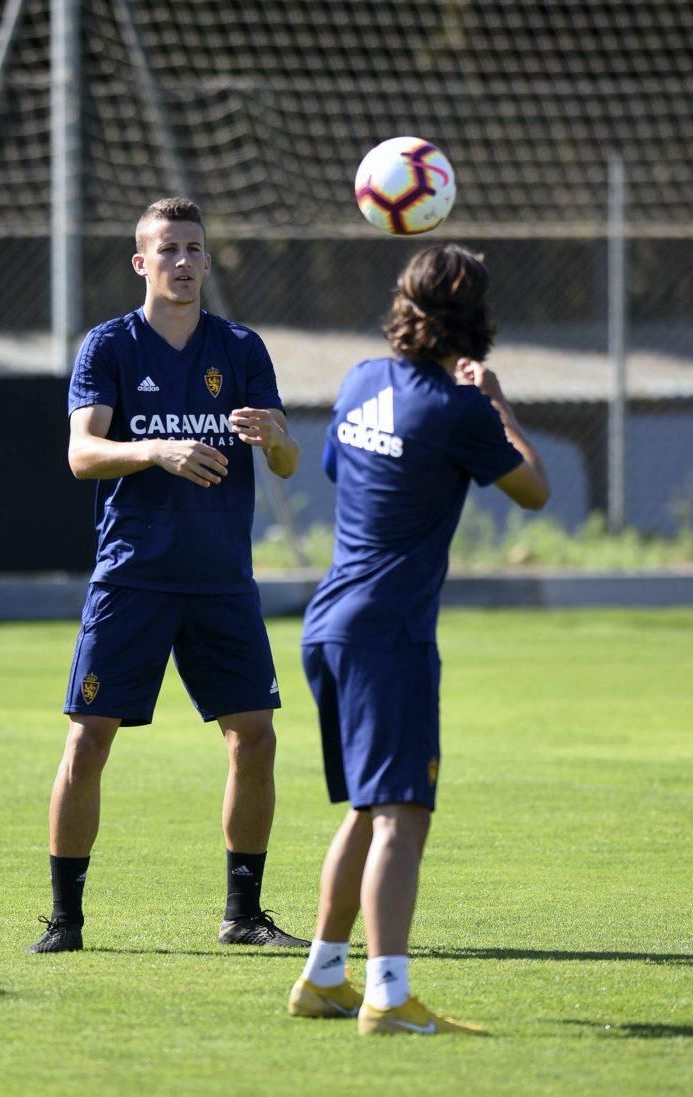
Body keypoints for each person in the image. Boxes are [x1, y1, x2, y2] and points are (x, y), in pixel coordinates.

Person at [27, 197, 308, 953]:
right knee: (88, 739)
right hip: (133, 575)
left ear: (208, 263)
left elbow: (284, 461)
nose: (183, 262)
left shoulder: (240, 347)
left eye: (194, 249)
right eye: (168, 249)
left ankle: (243, 915)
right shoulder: (110, 347)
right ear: (140, 262)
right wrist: (157, 450)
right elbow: (82, 454)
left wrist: (278, 438)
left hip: (221, 578)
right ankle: (65, 921)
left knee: (255, 738)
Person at [287, 243, 550, 1034]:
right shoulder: (461, 406)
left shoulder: (361, 380)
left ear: (403, 309)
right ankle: (388, 997)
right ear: (476, 324)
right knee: (403, 814)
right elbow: (534, 490)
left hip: (329, 621)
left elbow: (341, 468)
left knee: (368, 811)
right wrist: (497, 400)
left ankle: (323, 978)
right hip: (388, 633)